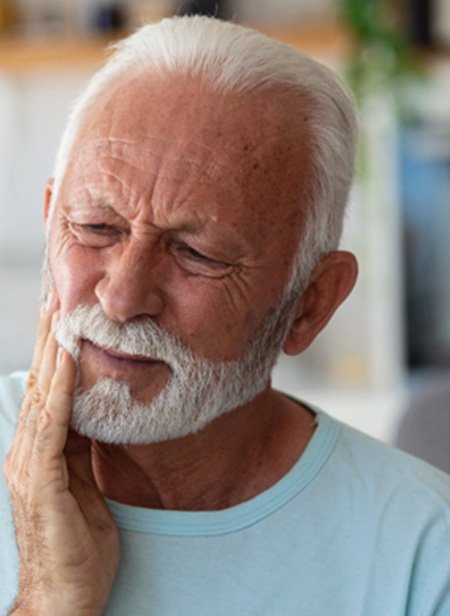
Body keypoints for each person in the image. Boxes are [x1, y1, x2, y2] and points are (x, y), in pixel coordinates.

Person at [1, 16, 450, 616]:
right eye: (95, 227)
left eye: (196, 254)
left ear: (310, 303)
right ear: (51, 214)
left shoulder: (423, 552)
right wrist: (47, 603)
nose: (122, 296)